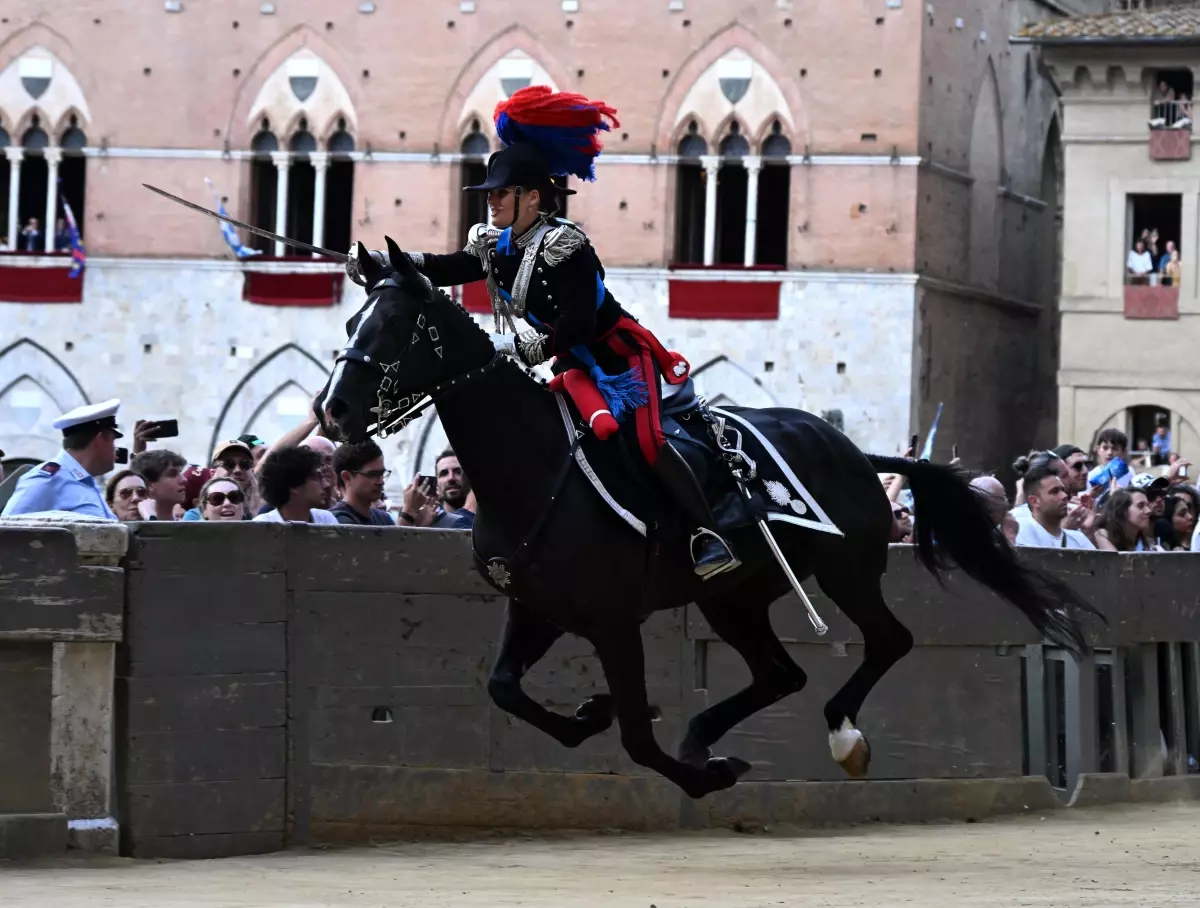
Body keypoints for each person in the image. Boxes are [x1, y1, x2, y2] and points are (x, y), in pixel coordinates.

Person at [391, 85, 733, 578]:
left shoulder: (565, 245)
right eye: (489, 194)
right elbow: (455, 265)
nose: (491, 203)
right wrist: (391, 262)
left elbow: (580, 322)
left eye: (501, 193)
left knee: (648, 440)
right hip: (571, 365)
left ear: (532, 197)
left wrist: (526, 344)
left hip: (616, 359)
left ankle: (706, 533)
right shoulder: (497, 243)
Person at [1, 399, 123, 519]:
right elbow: (7, 529)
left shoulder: (86, 482)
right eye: (113, 440)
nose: (115, 448)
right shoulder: (47, 479)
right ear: (100, 440)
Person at [1014, 461, 1096, 550]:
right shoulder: (1020, 529)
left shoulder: (1079, 539)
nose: (1064, 496)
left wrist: (1088, 531)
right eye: (1054, 491)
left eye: (1062, 490)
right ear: (1034, 501)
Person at [253, 445, 338, 524]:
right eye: (315, 477)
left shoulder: (327, 520)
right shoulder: (261, 526)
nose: (326, 484)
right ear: (294, 486)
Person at [183, 440, 257, 520]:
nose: (237, 470)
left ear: (252, 472)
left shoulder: (267, 511)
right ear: (212, 473)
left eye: (245, 464)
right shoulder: (195, 517)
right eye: (228, 464)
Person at [330, 440, 395, 526]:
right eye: (372, 474)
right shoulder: (336, 521)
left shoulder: (384, 519)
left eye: (382, 474)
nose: (381, 481)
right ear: (347, 477)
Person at [130, 449, 187, 521]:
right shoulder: (130, 529)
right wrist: (151, 518)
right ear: (148, 485)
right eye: (173, 474)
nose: (184, 480)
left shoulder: (185, 527)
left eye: (180, 472)